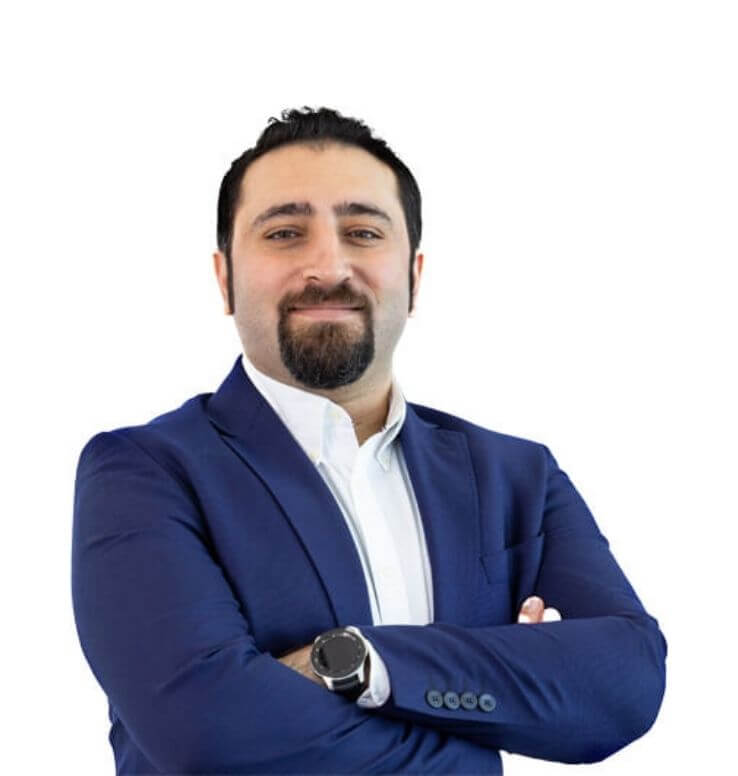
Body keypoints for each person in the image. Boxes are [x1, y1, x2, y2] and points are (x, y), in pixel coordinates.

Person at [71, 106, 667, 775]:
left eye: (362, 232)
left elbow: (626, 683)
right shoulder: (143, 473)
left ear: (413, 276)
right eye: (285, 233)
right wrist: (489, 721)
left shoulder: (516, 477)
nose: (328, 265)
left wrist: (358, 662)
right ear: (225, 278)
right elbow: (207, 732)